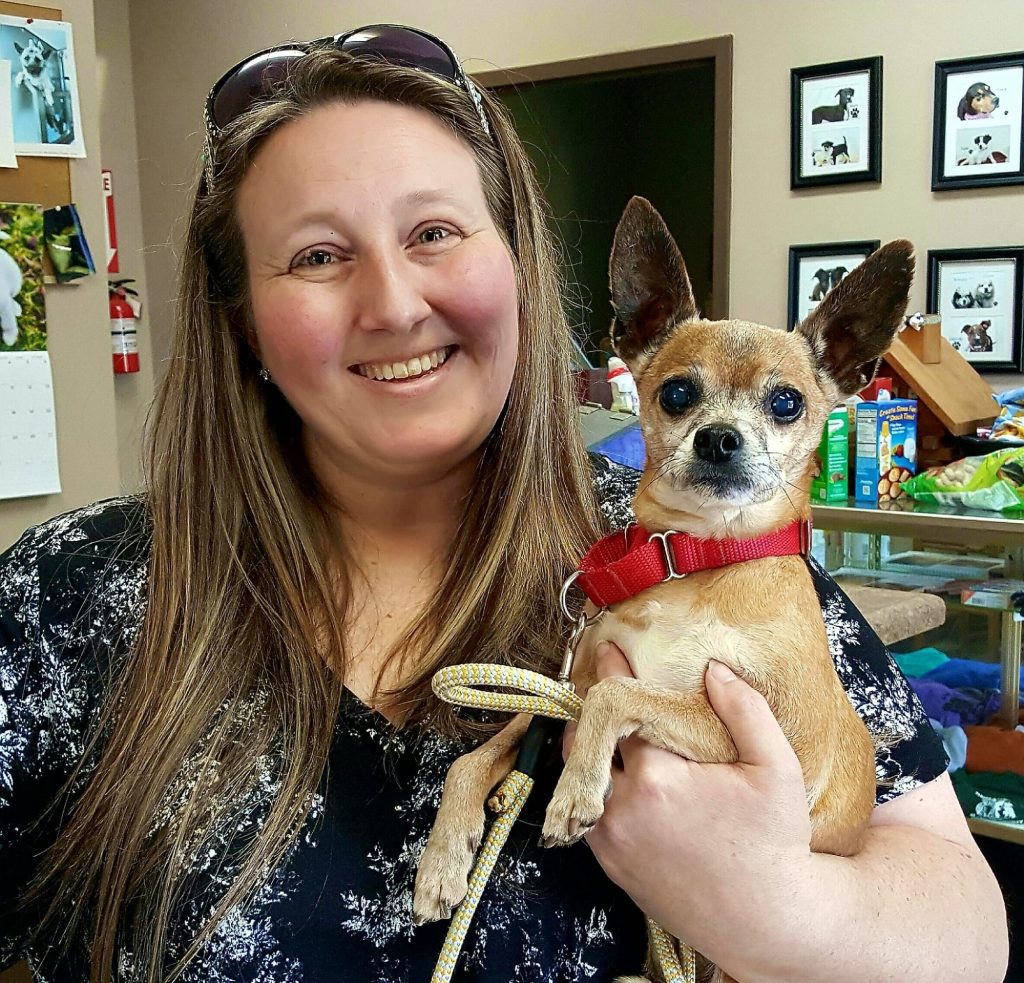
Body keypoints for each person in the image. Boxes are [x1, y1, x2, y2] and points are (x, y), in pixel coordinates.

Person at [0, 24, 1008, 983]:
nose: (393, 303)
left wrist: (780, 903)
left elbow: (967, 937)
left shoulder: (720, 555)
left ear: (518, 267)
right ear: (243, 320)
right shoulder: (67, 599)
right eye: (316, 254)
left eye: (434, 230)